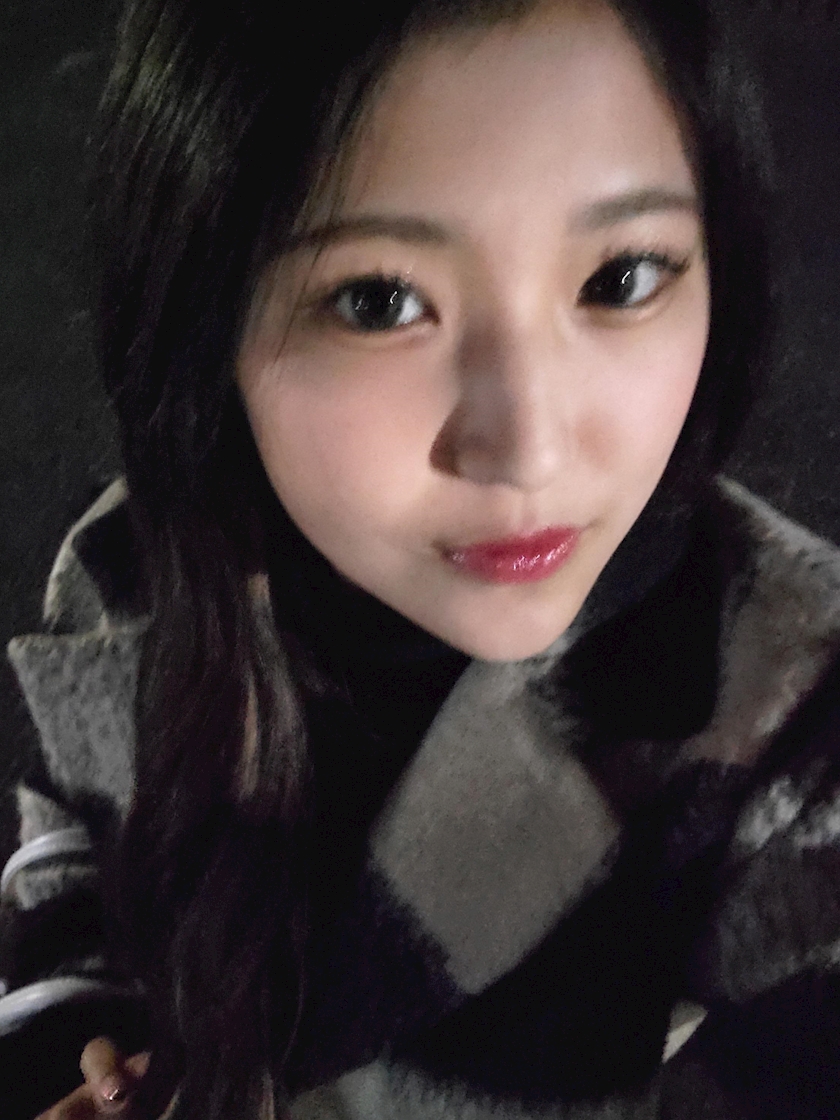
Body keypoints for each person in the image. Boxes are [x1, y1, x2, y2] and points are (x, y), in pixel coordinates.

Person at [5, 0, 840, 1117]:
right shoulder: (140, 566)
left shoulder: (780, 689)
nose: (530, 449)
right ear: (204, 317)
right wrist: (70, 1037)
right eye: (379, 301)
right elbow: (74, 842)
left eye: (624, 278)